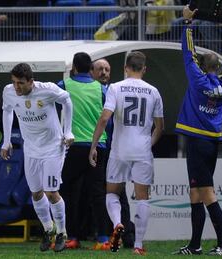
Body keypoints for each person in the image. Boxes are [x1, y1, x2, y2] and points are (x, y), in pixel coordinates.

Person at [173, 6, 222, 256]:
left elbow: (187, 52)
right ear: (218, 67)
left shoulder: (197, 79)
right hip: (211, 142)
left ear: (202, 66)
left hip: (198, 142)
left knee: (206, 193)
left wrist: (187, 23)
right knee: (194, 192)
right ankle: (195, 245)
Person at [89, 51, 164, 255]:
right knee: (142, 198)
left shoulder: (115, 87)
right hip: (142, 150)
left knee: (112, 192)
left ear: (125, 68)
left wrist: (94, 146)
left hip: (119, 149)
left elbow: (104, 119)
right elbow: (160, 127)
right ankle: (138, 245)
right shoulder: (153, 92)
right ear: (144, 69)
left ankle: (117, 223)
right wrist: (149, 144)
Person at [0, 63, 74, 253]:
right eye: (14, 82)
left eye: (21, 83)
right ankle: (48, 229)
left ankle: (62, 233)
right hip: (31, 149)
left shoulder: (47, 90)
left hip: (53, 147)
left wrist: (68, 131)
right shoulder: (9, 92)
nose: (17, 87)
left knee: (51, 192)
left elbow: (67, 100)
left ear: (31, 82)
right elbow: (7, 111)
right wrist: (6, 141)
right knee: (36, 192)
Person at [58, 52, 111, 249]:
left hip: (74, 146)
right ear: (90, 69)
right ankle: (103, 238)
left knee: (68, 192)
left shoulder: (64, 85)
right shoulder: (102, 89)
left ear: (73, 68)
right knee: (98, 193)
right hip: (98, 146)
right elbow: (109, 119)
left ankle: (72, 236)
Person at [90, 58, 136, 249]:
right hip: (101, 147)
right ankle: (102, 232)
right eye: (100, 69)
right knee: (103, 193)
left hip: (112, 148)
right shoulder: (92, 91)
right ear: (91, 71)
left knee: (117, 193)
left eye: (107, 69)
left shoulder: (115, 91)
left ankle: (125, 234)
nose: (104, 72)